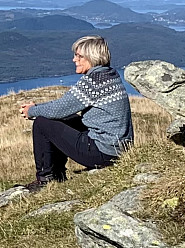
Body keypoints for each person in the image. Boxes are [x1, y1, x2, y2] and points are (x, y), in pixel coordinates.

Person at [18, 35, 133, 191]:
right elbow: (64, 109)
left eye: (79, 56)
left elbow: (59, 108)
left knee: (42, 122)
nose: (74, 59)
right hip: (118, 148)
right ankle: (56, 174)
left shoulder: (94, 81)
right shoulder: (109, 74)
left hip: (104, 152)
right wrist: (38, 106)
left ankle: (46, 180)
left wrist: (32, 111)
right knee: (65, 118)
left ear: (91, 57)